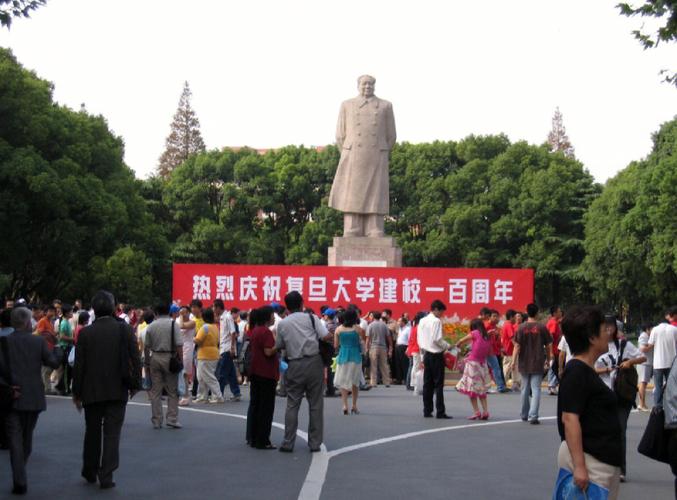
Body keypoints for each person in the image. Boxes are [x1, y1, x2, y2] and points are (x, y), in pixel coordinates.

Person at [72, 291, 141, 490]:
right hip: (117, 388)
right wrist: (135, 383)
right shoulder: (125, 330)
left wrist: (77, 392)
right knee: (112, 433)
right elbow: (135, 359)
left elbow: (79, 365)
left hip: (91, 390)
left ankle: (89, 469)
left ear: (93, 309)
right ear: (113, 308)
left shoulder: (85, 333)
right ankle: (107, 475)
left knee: (92, 431)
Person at [557, 305, 622, 500]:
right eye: (604, 330)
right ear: (591, 338)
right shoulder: (576, 371)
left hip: (599, 461)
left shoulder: (585, 370)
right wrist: (579, 467)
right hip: (590, 462)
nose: (608, 334)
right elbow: (569, 418)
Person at [1, 307, 61, 495]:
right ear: (28, 322)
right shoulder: (38, 342)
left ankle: (19, 477)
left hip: (11, 396)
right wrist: (57, 348)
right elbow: (53, 362)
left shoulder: (3, 343)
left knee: (15, 438)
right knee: (26, 438)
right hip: (33, 396)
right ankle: (20, 473)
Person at [328, 74, 397, 237]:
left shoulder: (385, 106)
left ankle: (375, 227)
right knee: (353, 191)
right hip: (353, 155)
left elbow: (391, 135)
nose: (368, 87)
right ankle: (352, 227)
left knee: (376, 192)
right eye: (364, 84)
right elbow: (340, 134)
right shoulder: (347, 105)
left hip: (376, 155)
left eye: (371, 84)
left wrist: (382, 152)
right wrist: (348, 152)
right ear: (358, 85)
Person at [594, 315, 645, 481]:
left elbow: (642, 357)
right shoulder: (595, 346)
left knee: (620, 431)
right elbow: (590, 369)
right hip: (602, 394)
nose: (608, 330)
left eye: (611, 327)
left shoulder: (624, 344)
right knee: (604, 431)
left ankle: (621, 469)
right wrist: (607, 370)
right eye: (605, 327)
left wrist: (630, 362)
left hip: (621, 394)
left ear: (615, 329)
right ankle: (605, 466)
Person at [275, 291, 326, 453]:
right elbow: (325, 336)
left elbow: (280, 345)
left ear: (287, 307)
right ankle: (314, 443)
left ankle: (288, 442)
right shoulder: (312, 318)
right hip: (313, 362)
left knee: (292, 404)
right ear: (302, 303)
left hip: (294, 364)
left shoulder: (283, 324)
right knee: (316, 404)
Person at [144, 303, 183, 429]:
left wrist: (147, 362)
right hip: (169, 358)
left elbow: (146, 346)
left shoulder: (151, 326)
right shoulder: (173, 324)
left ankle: (157, 420)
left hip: (155, 357)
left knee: (156, 391)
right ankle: (172, 418)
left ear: (156, 312)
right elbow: (179, 345)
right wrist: (180, 360)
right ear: (169, 312)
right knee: (172, 390)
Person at [512, 303, 552, 424]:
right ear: (537, 312)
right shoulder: (541, 327)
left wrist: (513, 361)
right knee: (536, 389)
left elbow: (517, 346)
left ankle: (524, 414)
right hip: (537, 361)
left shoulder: (521, 327)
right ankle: (533, 415)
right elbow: (548, 344)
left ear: (526, 312)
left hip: (524, 361)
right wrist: (548, 358)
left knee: (525, 388)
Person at [247, 306, 279, 449]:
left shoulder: (254, 330)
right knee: (266, 408)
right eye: (272, 315)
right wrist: (278, 345)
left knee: (256, 405)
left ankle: (252, 437)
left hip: (255, 371)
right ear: (267, 317)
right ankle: (263, 439)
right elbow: (268, 352)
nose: (274, 317)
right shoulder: (266, 332)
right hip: (266, 373)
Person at [417, 300, 452, 419]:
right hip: (436, 355)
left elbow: (420, 340)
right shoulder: (436, 321)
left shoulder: (422, 320)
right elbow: (436, 339)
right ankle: (440, 411)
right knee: (438, 385)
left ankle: (427, 410)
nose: (442, 314)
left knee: (428, 384)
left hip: (426, 354)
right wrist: (447, 345)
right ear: (436, 309)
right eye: (441, 311)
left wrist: (422, 357)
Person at [455, 318, 492, 420]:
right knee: (481, 389)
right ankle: (485, 411)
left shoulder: (475, 333)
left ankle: (476, 412)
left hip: (473, 365)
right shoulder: (487, 336)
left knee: (471, 389)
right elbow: (488, 352)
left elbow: (462, 340)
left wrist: (457, 345)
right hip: (483, 364)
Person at [334, 308, 365, 415]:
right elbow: (363, 342)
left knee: (343, 381)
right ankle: (354, 405)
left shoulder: (338, 329)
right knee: (355, 382)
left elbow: (336, 345)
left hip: (343, 356)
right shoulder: (358, 329)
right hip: (355, 356)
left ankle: (344, 405)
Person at [646, 306, 677, 407]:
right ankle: (671, 406)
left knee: (658, 386)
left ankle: (658, 407)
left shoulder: (655, 330)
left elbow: (650, 345)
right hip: (671, 363)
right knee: (671, 386)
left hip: (658, 363)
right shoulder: (674, 329)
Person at [194, 308, 223, 404]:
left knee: (208, 377)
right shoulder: (215, 327)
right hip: (213, 353)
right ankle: (202, 396)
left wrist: (193, 338)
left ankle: (218, 396)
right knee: (202, 377)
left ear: (203, 317)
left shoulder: (204, 328)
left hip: (205, 355)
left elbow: (198, 340)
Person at [366, 311, 392, 387]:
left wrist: (367, 348)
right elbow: (388, 337)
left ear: (373, 317)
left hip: (373, 347)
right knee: (384, 365)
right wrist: (390, 346)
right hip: (383, 347)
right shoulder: (384, 325)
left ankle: (373, 382)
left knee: (373, 365)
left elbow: (368, 338)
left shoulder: (370, 325)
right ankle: (387, 382)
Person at [177, 306, 196, 406]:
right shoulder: (177, 321)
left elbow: (181, 326)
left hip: (187, 347)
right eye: (181, 312)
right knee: (177, 371)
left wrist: (180, 315)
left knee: (184, 372)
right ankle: (180, 394)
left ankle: (186, 396)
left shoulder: (192, 322)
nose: (183, 314)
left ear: (189, 312)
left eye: (185, 312)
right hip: (178, 347)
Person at [500, 309, 520, 391]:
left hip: (509, 351)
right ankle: (501, 385)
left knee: (514, 367)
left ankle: (515, 384)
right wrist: (517, 345)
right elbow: (512, 338)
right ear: (511, 317)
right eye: (515, 317)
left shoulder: (506, 324)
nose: (516, 319)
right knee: (508, 369)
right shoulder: (509, 325)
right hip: (509, 351)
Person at [546, 306, 563, 395]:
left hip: (554, 349)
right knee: (553, 367)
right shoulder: (553, 323)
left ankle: (552, 385)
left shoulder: (553, 322)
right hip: (554, 350)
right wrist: (551, 352)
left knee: (553, 367)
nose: (561, 313)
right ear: (555, 313)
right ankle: (552, 386)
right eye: (559, 311)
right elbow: (551, 338)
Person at [637, 323, 654, 411]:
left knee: (643, 383)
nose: (652, 331)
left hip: (646, 363)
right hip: (644, 363)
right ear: (647, 329)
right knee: (643, 384)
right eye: (652, 329)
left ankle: (642, 404)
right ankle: (641, 404)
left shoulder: (647, 336)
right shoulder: (643, 336)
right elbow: (643, 348)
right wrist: (652, 345)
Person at [393, 317, 410, 386]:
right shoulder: (400, 329)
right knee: (398, 363)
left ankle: (406, 379)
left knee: (405, 363)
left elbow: (409, 339)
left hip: (404, 347)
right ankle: (399, 379)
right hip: (398, 346)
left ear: (403, 322)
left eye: (399, 321)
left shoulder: (408, 329)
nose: (398, 322)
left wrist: (408, 348)